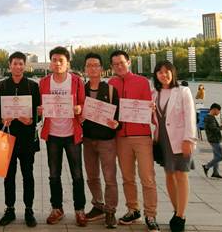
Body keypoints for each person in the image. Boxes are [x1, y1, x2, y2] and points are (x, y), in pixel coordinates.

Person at [109, 50, 159, 231]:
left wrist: (151, 109)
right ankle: (133, 209)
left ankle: (150, 214)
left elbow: (150, 108)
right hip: (121, 137)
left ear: (128, 62)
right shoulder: (111, 83)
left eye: (122, 62)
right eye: (115, 64)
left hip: (141, 136)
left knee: (147, 178)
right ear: (111, 66)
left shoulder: (142, 82)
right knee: (127, 177)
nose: (119, 66)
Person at [38, 46, 87, 227]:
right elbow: (39, 105)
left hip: (72, 134)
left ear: (67, 63)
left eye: (61, 60)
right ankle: (57, 208)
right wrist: (39, 110)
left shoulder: (76, 81)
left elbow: (84, 103)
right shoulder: (44, 82)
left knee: (77, 174)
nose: (57, 63)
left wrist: (80, 108)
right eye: (54, 60)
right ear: (50, 62)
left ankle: (79, 209)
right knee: (53, 174)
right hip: (53, 134)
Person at [0, 51, 41, 228]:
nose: (18, 67)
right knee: (9, 176)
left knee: (28, 175)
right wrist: (2, 119)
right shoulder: (2, 86)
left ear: (25, 66)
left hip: (27, 138)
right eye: (15, 63)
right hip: (7, 137)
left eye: (21, 63)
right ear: (9, 65)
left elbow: (38, 112)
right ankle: (10, 209)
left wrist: (32, 119)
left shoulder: (32, 86)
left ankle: (29, 210)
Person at [152, 61, 196, 232]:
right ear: (156, 75)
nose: (164, 75)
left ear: (173, 73)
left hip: (179, 139)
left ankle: (181, 215)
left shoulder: (183, 91)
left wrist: (189, 139)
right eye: (160, 72)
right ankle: (176, 210)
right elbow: (153, 118)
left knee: (181, 175)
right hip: (162, 139)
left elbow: (190, 116)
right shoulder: (154, 93)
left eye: (167, 71)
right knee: (169, 174)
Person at [81, 53, 120, 229]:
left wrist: (116, 124)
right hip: (88, 140)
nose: (92, 68)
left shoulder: (110, 90)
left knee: (110, 177)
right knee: (92, 176)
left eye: (95, 65)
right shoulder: (81, 89)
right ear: (85, 69)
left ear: (102, 69)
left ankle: (110, 211)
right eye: (89, 65)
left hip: (107, 141)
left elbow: (118, 116)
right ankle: (98, 205)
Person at [202, 103, 222, 179]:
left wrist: (220, 127)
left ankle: (215, 173)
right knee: (220, 157)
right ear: (214, 109)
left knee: (216, 156)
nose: (219, 112)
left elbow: (214, 128)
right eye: (219, 111)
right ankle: (206, 166)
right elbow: (214, 129)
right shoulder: (210, 118)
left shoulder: (210, 117)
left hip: (214, 139)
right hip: (214, 139)